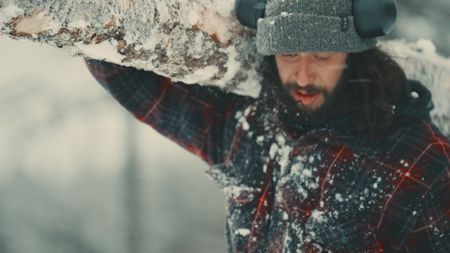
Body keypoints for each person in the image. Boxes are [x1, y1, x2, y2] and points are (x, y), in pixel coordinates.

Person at [86, 0, 449, 252]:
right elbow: (122, 72)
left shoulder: (419, 160)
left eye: (322, 56)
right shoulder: (249, 130)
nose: (302, 75)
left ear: (354, 57)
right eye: (288, 54)